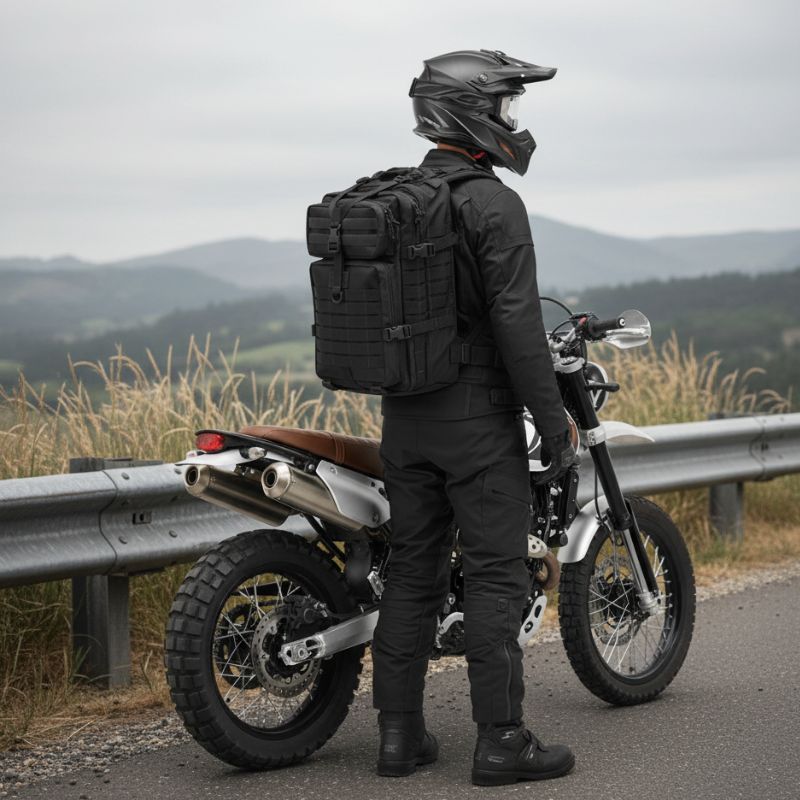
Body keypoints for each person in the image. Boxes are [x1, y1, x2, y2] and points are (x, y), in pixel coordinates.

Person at [370, 49, 578, 786]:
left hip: (404, 422)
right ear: (472, 113)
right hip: (478, 425)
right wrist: (555, 423)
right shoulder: (493, 205)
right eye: (504, 106)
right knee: (494, 578)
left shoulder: (397, 199)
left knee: (411, 575)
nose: (510, 119)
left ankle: (399, 738)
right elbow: (519, 329)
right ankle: (501, 742)